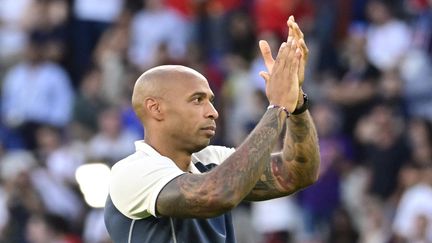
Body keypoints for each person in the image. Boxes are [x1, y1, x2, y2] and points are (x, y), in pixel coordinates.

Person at [104, 16, 320, 243]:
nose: (212, 112)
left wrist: (297, 105)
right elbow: (216, 195)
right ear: (156, 108)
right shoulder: (133, 171)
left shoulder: (212, 159)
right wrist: (277, 107)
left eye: (211, 100)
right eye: (197, 100)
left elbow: (295, 173)